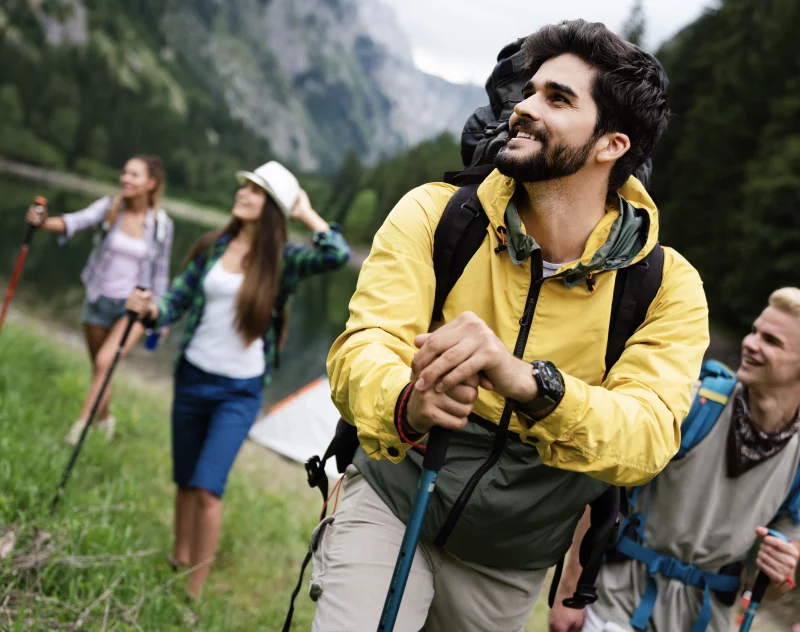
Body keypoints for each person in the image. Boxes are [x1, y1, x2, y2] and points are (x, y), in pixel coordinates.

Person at [313, 19, 709, 632]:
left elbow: (648, 437)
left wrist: (531, 384)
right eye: (530, 91)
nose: (523, 108)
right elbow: (364, 347)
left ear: (612, 145)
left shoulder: (667, 286)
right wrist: (407, 403)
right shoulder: (436, 214)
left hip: (511, 557)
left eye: (557, 98)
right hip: (394, 496)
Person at [126, 160, 350, 599]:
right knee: (186, 479)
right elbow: (176, 300)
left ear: (272, 208)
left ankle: (191, 592)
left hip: (239, 392)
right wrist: (151, 311)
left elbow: (336, 254)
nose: (243, 193)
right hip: (192, 377)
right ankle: (177, 557)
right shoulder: (213, 246)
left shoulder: (283, 262)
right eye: (244, 187)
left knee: (209, 488)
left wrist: (304, 212)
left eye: (256, 190)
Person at [550, 288, 800, 632]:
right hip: (618, 603)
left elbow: (777, 559)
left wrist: (782, 562)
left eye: (771, 340)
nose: (750, 343)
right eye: (754, 331)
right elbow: (603, 492)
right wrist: (571, 592)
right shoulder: (691, 405)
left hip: (707, 620)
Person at [25, 155, 172, 444]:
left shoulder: (161, 226)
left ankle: (79, 430)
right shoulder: (109, 208)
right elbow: (75, 222)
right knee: (100, 368)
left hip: (133, 310)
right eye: (124, 172)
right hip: (98, 298)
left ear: (151, 183)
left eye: (134, 175)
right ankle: (106, 419)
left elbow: (161, 273)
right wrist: (42, 224)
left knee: (106, 362)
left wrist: (161, 314)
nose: (125, 179)